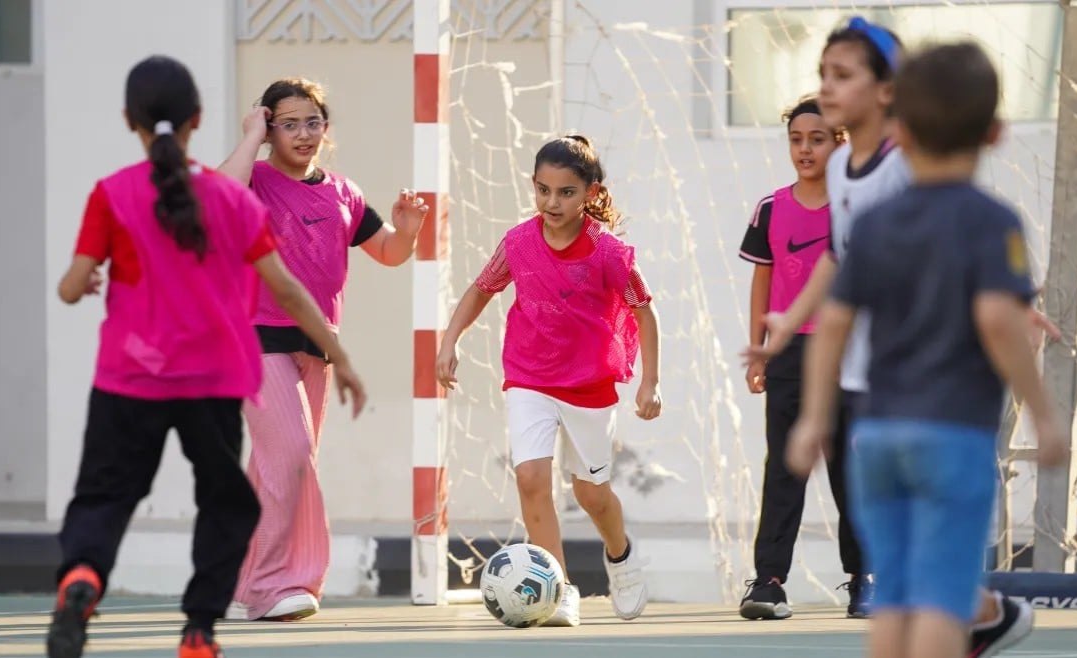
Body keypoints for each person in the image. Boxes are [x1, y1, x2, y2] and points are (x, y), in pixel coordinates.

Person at [46, 56, 366, 658]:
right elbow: (288, 288)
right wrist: (341, 355)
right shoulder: (232, 201)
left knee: (105, 496)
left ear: (128, 120)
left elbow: (70, 287)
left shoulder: (112, 193)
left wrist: (82, 284)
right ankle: (199, 628)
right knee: (223, 499)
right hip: (210, 378)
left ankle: (82, 574)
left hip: (127, 380)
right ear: (197, 119)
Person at [743, 17, 1045, 653]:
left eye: (842, 74)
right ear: (993, 133)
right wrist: (1044, 411)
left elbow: (853, 293)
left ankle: (973, 608)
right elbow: (850, 274)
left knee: (904, 589)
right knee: (929, 590)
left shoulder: (892, 186)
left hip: (883, 405)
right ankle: (974, 610)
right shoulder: (875, 182)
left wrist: (813, 411)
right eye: (823, 73)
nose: (827, 85)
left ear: (893, 102)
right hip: (929, 412)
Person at [216, 77, 428, 621]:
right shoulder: (256, 178)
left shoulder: (345, 192)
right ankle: (283, 584)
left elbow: (388, 252)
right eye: (289, 123)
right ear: (268, 127)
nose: (304, 133)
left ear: (326, 128)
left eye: (313, 122)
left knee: (274, 467)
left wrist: (407, 231)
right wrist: (251, 137)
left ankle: (243, 581)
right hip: (256, 342)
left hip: (318, 347)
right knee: (291, 458)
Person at [434, 135, 658, 627]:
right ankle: (559, 589)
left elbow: (644, 310)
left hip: (590, 388)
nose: (552, 203)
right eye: (543, 190)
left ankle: (619, 557)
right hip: (529, 378)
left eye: (565, 193)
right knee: (531, 478)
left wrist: (649, 382)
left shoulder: (609, 252)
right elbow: (480, 289)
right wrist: (449, 342)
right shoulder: (518, 242)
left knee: (592, 496)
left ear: (591, 194)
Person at [738, 96, 864, 620]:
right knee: (785, 467)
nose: (805, 149)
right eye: (796, 140)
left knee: (850, 469)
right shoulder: (771, 208)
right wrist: (761, 351)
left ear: (840, 143)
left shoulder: (856, 206)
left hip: (849, 354)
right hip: (790, 355)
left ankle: (866, 578)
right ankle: (769, 581)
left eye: (817, 139)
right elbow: (762, 281)